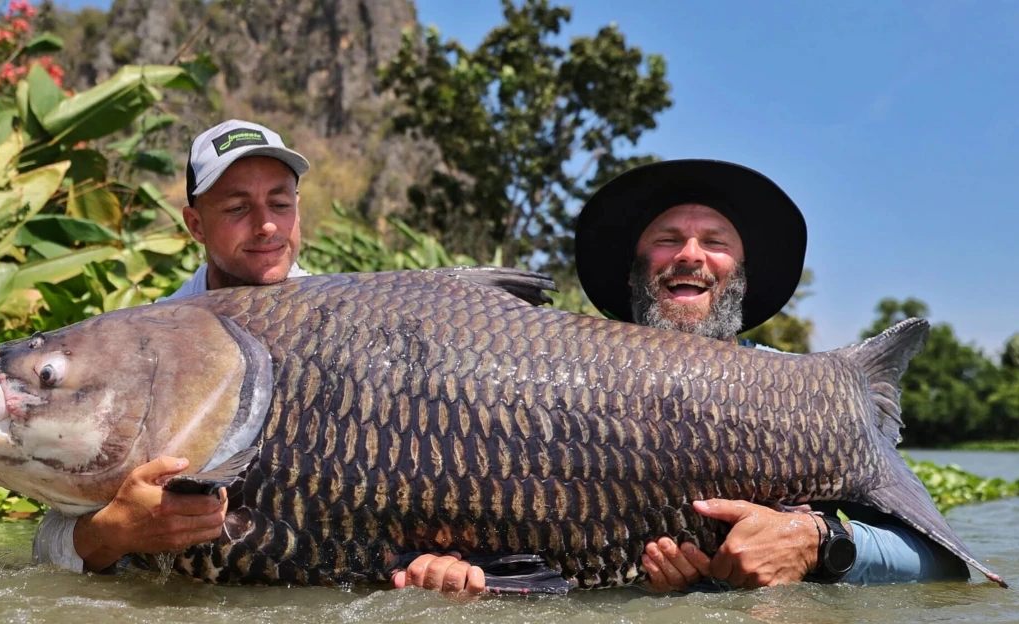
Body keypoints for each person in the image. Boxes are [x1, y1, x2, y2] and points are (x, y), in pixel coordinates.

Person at [404, 158, 969, 594]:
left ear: (741, 277)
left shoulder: (806, 395)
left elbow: (946, 566)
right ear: (634, 274)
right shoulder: (548, 376)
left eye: (715, 242)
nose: (690, 255)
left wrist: (818, 543)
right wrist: (453, 567)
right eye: (667, 239)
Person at [31, 120, 470, 594]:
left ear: (297, 210)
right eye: (238, 208)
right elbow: (46, 543)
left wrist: (448, 554)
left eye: (279, 204)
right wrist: (110, 533)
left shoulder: (360, 332)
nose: (265, 226)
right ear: (195, 224)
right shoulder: (143, 345)